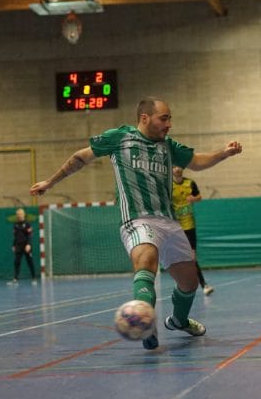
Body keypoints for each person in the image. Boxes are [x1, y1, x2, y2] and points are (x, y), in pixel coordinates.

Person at [30, 97, 242, 349]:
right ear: (145, 118)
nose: (169, 124)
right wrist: (50, 182)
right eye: (164, 118)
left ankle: (178, 320)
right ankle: (146, 326)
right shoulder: (120, 137)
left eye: (170, 118)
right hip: (137, 218)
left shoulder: (168, 145)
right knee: (146, 262)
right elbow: (81, 157)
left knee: (189, 283)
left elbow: (196, 161)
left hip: (169, 222)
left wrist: (224, 153)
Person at [172, 165, 214, 296]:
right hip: (174, 227)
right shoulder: (168, 185)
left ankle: (204, 285)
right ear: (171, 169)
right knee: (178, 257)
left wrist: (193, 199)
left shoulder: (190, 183)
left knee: (192, 257)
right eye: (174, 167)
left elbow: (199, 196)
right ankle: (182, 283)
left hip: (189, 225)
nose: (177, 169)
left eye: (179, 166)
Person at [11, 208, 38, 284]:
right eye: (17, 214)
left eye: (20, 214)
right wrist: (13, 245)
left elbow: (29, 235)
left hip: (26, 246)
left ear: (23, 215)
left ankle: (34, 278)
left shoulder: (27, 224)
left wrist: (28, 244)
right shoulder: (15, 225)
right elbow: (15, 236)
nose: (19, 216)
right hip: (18, 246)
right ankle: (15, 279)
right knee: (16, 262)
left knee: (30, 262)